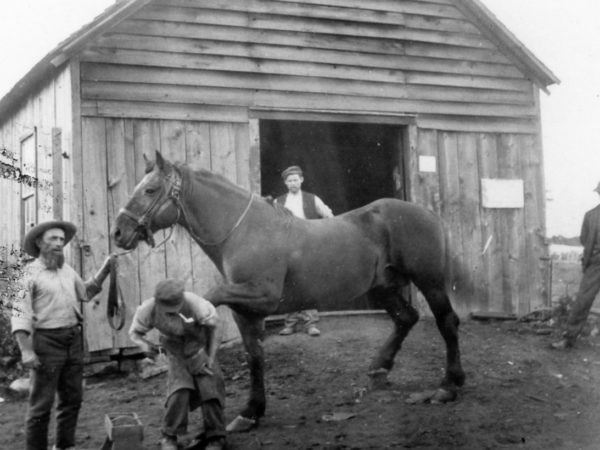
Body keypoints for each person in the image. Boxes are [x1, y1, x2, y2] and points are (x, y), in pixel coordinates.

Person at [11, 220, 113, 450]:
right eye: (52, 239)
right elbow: (20, 315)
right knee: (41, 405)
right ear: (39, 243)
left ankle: (65, 446)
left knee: (72, 400)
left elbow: (86, 292)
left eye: (61, 239)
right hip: (46, 343)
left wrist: (106, 268)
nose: (59, 244)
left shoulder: (67, 271)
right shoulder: (28, 275)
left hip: (72, 340)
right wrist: (26, 350)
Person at [129, 279, 226, 450]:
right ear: (158, 302)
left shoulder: (196, 304)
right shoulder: (148, 308)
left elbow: (216, 328)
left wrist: (209, 357)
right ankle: (169, 436)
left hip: (199, 347)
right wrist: (145, 345)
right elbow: (135, 332)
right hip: (175, 351)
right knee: (179, 390)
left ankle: (216, 437)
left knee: (210, 388)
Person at [275, 165, 333, 337]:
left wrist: (320, 234)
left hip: (308, 246)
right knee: (288, 284)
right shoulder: (278, 202)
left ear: (301, 180)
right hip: (287, 247)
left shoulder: (312, 199)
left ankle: (310, 323)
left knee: (308, 284)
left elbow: (329, 216)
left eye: (295, 179)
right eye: (289, 180)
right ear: (285, 183)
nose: (293, 183)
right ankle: (290, 324)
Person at [552, 182, 600, 349]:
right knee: (582, 301)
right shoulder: (591, 215)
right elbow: (584, 239)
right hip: (595, 265)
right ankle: (569, 338)